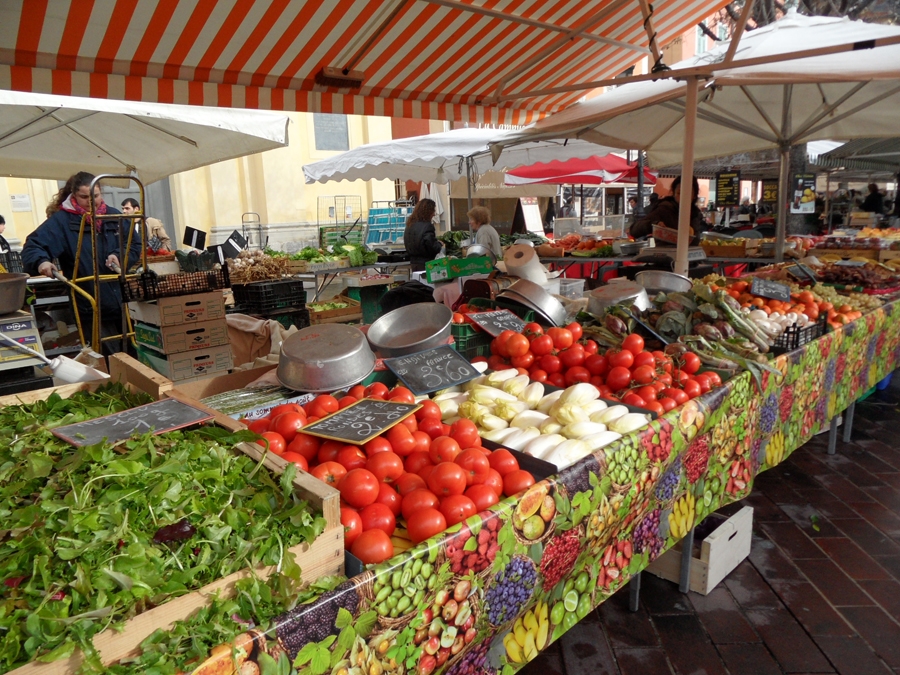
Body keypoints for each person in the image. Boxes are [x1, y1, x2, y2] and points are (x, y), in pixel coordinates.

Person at [22, 171, 142, 354]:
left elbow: (133, 243)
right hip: (90, 303)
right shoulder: (63, 221)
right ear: (74, 195)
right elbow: (33, 245)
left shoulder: (113, 215)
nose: (91, 201)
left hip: (123, 300)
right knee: (109, 359)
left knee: (136, 354)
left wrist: (120, 255)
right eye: (84, 197)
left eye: (95, 196)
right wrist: (42, 262)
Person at [629, 175, 706, 243]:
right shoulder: (665, 209)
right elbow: (634, 230)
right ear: (674, 194)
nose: (683, 197)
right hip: (665, 256)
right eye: (679, 193)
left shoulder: (696, 214)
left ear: (694, 196)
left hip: (690, 257)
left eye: (688, 193)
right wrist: (653, 224)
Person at [403, 198, 443, 272]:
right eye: (433, 211)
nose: (434, 214)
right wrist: (439, 244)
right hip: (426, 264)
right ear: (428, 212)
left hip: (413, 263)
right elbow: (431, 245)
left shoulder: (409, 225)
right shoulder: (428, 226)